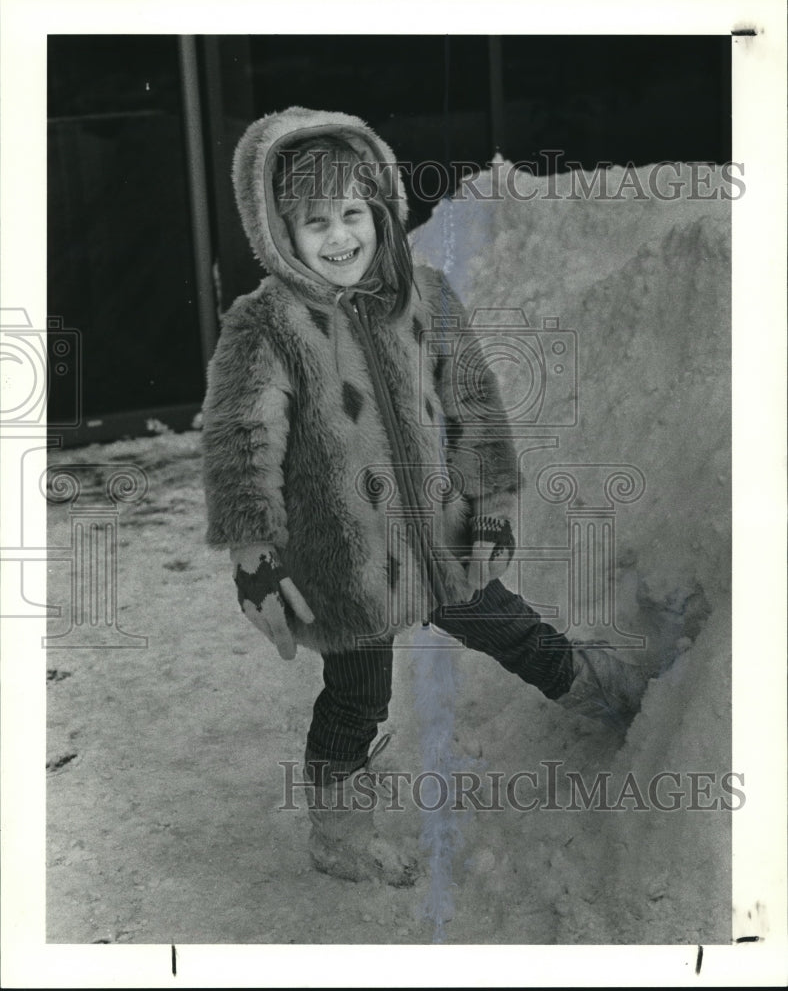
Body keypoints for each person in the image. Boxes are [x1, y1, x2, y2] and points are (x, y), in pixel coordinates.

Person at [201, 106, 700, 887]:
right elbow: (241, 443)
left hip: (441, 538)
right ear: (276, 232)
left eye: (353, 213)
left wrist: (492, 502)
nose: (340, 237)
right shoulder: (264, 329)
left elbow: (472, 405)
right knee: (357, 694)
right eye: (313, 222)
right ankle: (338, 832)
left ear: (381, 211)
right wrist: (255, 559)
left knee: (510, 625)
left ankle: (608, 696)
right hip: (344, 562)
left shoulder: (424, 297)